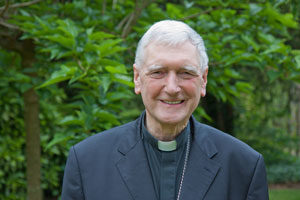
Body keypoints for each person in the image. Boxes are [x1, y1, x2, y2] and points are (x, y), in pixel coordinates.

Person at [61, 20, 269, 200]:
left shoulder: (244, 166)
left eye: (186, 73)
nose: (171, 88)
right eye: (158, 72)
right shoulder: (87, 161)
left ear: (203, 80)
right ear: (137, 78)